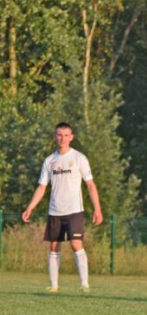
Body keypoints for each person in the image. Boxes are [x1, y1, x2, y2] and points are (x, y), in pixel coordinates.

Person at [22, 123, 103, 294]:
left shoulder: (79, 158)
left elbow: (90, 185)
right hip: (55, 211)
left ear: (71, 137)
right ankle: (54, 285)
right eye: (59, 135)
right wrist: (30, 208)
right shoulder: (49, 161)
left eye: (66, 135)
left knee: (75, 244)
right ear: (55, 136)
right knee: (53, 247)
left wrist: (97, 209)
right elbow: (42, 187)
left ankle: (84, 284)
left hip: (74, 210)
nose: (62, 138)